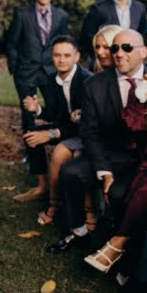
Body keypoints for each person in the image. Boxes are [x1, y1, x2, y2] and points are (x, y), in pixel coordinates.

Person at [47, 29, 146, 254]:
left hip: (144, 159)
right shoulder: (96, 84)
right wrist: (104, 170)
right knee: (70, 172)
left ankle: (123, 244)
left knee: (119, 193)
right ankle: (79, 231)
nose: (119, 53)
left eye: (127, 48)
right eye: (115, 48)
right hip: (109, 155)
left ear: (143, 52)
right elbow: (89, 132)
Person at [84, 45, 147, 274]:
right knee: (138, 185)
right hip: (145, 162)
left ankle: (118, 245)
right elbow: (130, 125)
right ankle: (124, 253)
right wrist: (145, 91)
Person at [6, 0, 69, 202]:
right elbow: (12, 43)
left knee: (59, 113)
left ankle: (62, 165)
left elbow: (64, 42)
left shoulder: (61, 16)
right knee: (29, 119)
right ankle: (40, 179)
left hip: (51, 72)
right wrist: (15, 69)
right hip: (27, 72)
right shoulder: (22, 14)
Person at [21, 35, 92, 226]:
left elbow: (84, 123)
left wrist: (50, 134)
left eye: (67, 55)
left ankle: (54, 205)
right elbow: (55, 113)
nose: (61, 60)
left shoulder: (87, 81)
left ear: (77, 57)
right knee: (31, 134)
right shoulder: (52, 80)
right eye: (57, 55)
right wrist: (37, 109)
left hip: (84, 132)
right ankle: (42, 186)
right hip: (66, 127)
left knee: (58, 150)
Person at [80, 0, 147, 59]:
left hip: (130, 57)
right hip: (107, 57)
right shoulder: (98, 9)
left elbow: (142, 33)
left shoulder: (139, 7)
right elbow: (87, 35)